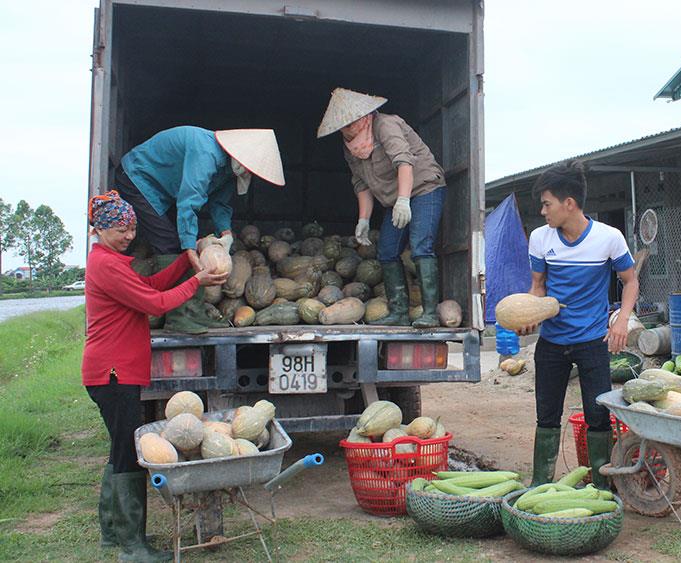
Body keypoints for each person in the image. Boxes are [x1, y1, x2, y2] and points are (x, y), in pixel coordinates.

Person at [83, 191, 228, 561]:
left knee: (118, 450)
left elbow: (150, 287)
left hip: (113, 371)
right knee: (129, 456)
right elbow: (155, 304)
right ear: (99, 229)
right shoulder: (105, 264)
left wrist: (184, 261)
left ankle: (112, 535)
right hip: (112, 372)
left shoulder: (111, 260)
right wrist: (198, 280)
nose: (128, 235)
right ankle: (133, 547)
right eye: (119, 229)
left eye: (131, 228)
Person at [519, 162, 639, 489]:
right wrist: (529, 312)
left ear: (568, 203)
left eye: (547, 204)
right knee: (546, 416)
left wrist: (621, 320)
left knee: (597, 416)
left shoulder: (608, 238)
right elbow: (538, 285)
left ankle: (601, 487)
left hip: (593, 343)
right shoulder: (540, 238)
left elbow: (630, 281)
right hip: (552, 343)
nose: (542, 211)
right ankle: (539, 485)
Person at [115, 126, 285, 334]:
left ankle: (195, 313)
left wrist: (227, 234)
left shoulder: (229, 169)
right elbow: (189, 202)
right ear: (242, 158)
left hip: (162, 189)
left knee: (181, 242)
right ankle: (179, 318)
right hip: (137, 178)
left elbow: (220, 204)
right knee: (170, 244)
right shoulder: (205, 152)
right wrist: (189, 249)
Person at [317, 88, 447, 328]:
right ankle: (399, 311)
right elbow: (361, 183)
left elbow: (404, 161)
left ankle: (430, 313)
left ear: (363, 117)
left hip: (424, 188)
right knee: (387, 250)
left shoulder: (385, 125)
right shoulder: (350, 145)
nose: (346, 131)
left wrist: (403, 200)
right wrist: (363, 220)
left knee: (420, 246)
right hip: (396, 198)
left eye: (349, 124)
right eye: (342, 127)